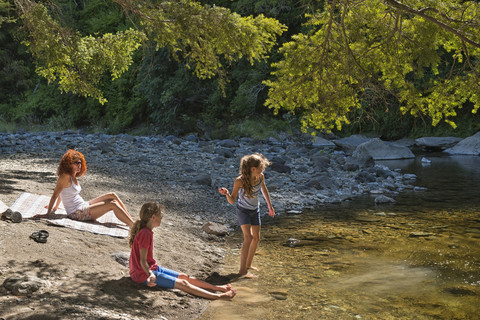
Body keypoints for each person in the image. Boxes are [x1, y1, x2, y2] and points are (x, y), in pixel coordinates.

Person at [129, 202, 237, 300]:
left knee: (184, 276)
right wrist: (150, 274)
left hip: (151, 268)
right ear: (153, 217)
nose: (162, 218)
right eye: (160, 215)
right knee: (183, 283)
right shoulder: (145, 234)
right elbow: (142, 261)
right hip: (142, 274)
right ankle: (218, 296)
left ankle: (216, 288)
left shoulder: (147, 231)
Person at [35, 149, 134, 227]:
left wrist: (55, 207)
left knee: (112, 195)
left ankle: (129, 219)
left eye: (80, 162)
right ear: (69, 164)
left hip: (83, 204)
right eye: (76, 163)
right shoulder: (65, 176)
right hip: (76, 212)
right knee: (112, 204)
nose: (79, 165)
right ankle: (133, 225)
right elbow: (56, 194)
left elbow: (63, 193)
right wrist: (47, 213)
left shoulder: (73, 175)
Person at [218, 153, 275, 276]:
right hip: (243, 210)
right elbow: (232, 200)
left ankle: (248, 265)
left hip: (255, 210)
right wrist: (227, 194)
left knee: (256, 238)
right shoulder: (240, 181)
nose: (262, 170)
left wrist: (270, 206)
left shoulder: (260, 177)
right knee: (248, 238)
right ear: (253, 169)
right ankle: (242, 271)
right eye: (261, 168)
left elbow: (264, 190)